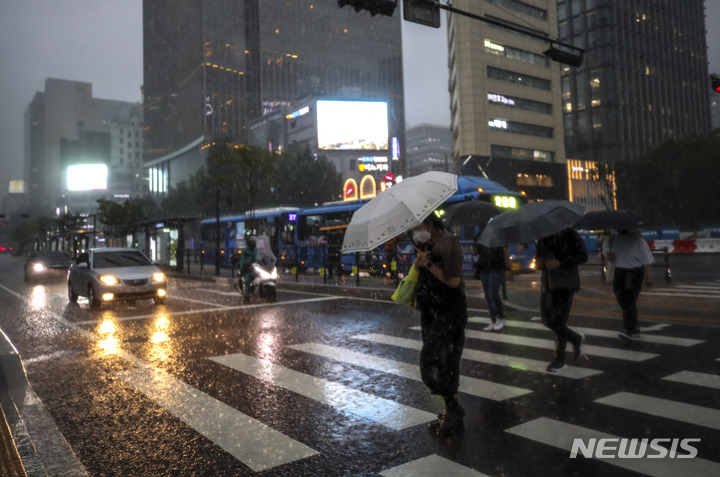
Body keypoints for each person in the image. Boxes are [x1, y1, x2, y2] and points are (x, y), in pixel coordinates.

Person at [412, 214, 468, 437]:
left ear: (430, 224)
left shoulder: (448, 243)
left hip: (449, 312)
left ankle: (453, 409)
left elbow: (454, 281)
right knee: (441, 363)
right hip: (431, 312)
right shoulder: (424, 244)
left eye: (417, 225)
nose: (415, 231)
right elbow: (422, 275)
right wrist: (418, 265)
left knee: (434, 365)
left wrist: (428, 263)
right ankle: (452, 410)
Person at [535, 228, 588, 372]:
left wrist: (560, 262)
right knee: (547, 320)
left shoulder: (569, 233)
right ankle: (575, 338)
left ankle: (559, 359)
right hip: (548, 282)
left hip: (565, 283)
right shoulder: (542, 236)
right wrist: (539, 263)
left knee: (559, 321)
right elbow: (539, 261)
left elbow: (583, 256)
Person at [603, 229, 654, 340]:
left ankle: (630, 327)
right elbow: (606, 252)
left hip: (633, 272)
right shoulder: (612, 240)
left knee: (628, 300)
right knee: (622, 299)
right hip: (618, 272)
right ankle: (632, 326)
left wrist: (649, 276)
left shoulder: (638, 241)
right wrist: (608, 256)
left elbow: (646, 260)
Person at [473, 240, 512, 331]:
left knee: (492, 294)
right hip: (484, 268)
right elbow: (476, 251)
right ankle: (493, 319)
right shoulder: (481, 236)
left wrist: (508, 268)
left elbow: (506, 252)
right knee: (488, 296)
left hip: (497, 268)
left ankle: (500, 317)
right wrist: (475, 249)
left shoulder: (499, 237)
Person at [236, 236, 258, 300]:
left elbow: (259, 257)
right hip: (247, 269)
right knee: (248, 278)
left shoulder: (256, 250)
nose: (253, 243)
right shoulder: (245, 251)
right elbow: (242, 261)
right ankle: (246, 294)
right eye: (252, 242)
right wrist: (243, 268)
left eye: (254, 242)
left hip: (255, 268)